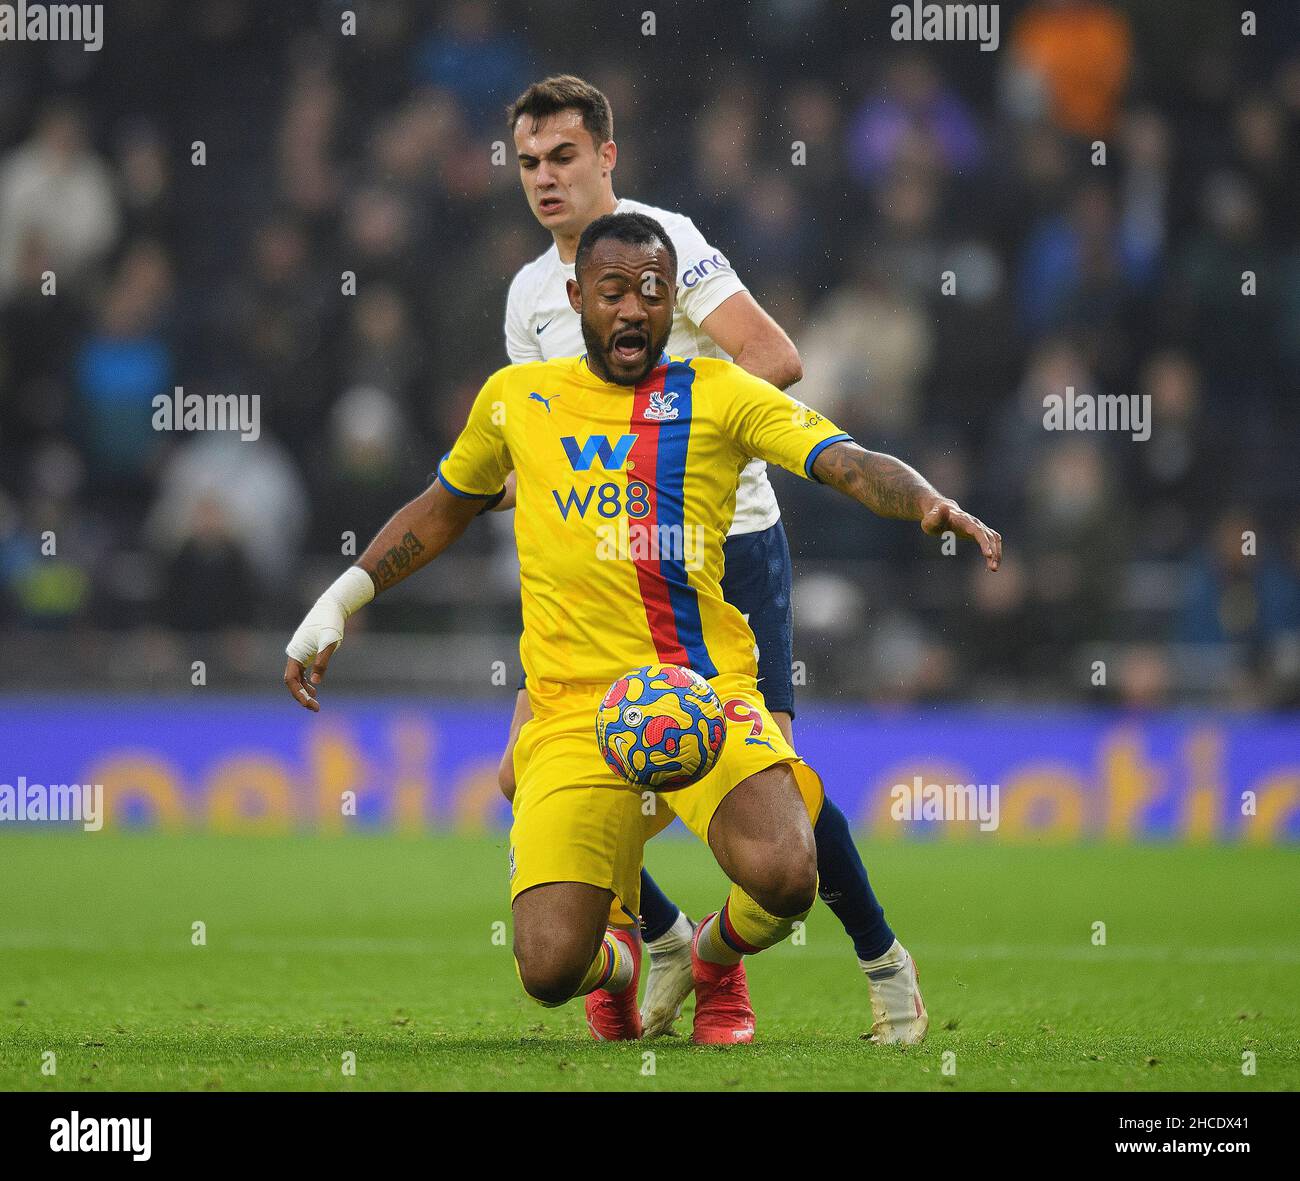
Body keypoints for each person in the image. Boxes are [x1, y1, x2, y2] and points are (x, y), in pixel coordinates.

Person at [283, 212, 1002, 1045]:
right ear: (577, 297)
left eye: (653, 293)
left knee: (786, 874)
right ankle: (633, 959)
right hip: (569, 709)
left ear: (673, 305)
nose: (633, 310)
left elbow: (842, 457)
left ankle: (705, 953)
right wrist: (339, 599)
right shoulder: (518, 400)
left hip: (700, 691)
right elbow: (443, 507)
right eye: (615, 292)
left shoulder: (719, 393)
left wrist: (924, 500)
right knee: (549, 969)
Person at [494, 74, 929, 1044]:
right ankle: (663, 938)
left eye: (564, 157)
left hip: (724, 548)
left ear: (608, 156)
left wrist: (666, 429)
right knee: (541, 773)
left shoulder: (671, 244)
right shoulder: (530, 297)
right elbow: (545, 434)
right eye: (528, 163)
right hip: (605, 565)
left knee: (776, 784)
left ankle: (877, 959)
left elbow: (772, 356)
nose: (545, 179)